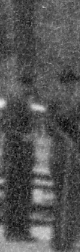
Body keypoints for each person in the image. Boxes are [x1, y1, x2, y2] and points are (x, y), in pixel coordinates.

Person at [47, 69, 80, 252]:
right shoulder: (56, 101)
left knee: (71, 197)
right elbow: (51, 126)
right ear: (63, 84)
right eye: (69, 83)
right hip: (61, 152)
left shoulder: (79, 102)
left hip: (75, 154)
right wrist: (67, 139)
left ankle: (68, 239)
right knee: (61, 196)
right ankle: (60, 240)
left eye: (74, 83)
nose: (72, 86)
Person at [2, 75, 37, 242]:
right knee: (15, 191)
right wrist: (23, 136)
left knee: (23, 192)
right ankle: (13, 230)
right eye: (25, 85)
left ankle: (21, 229)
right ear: (20, 85)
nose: (28, 89)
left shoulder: (24, 102)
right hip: (15, 153)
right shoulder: (15, 102)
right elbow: (8, 127)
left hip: (24, 154)